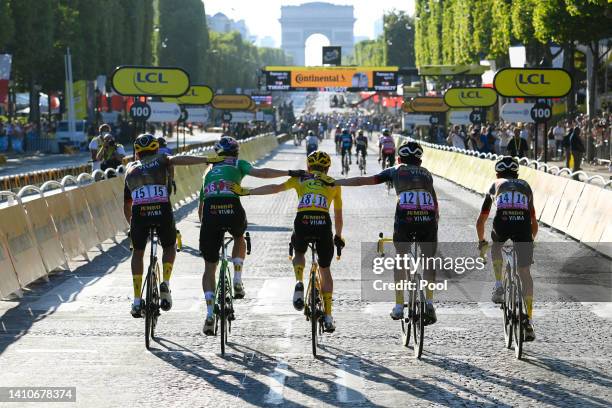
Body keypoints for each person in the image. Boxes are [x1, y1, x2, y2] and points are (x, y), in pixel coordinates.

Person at [199, 136, 308, 335]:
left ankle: (208, 313)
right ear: (235, 152)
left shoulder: (209, 170)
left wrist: (207, 224)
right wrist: (289, 172)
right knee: (239, 237)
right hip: (232, 208)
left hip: (210, 212)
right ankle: (238, 278)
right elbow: (262, 173)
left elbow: (201, 208)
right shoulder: (238, 163)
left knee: (209, 267)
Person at [232, 151, 344, 333]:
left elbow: (275, 188)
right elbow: (338, 216)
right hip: (323, 223)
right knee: (325, 269)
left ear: (308, 167)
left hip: (303, 221)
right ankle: (329, 317)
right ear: (328, 168)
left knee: (299, 253)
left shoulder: (300, 179)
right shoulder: (333, 183)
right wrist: (338, 236)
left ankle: (299, 281)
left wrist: (246, 191)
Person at [333, 141, 439, 324]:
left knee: (400, 258)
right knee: (429, 260)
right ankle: (429, 302)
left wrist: (336, 182)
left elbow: (363, 181)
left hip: (405, 220)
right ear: (420, 161)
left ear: (398, 158)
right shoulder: (427, 174)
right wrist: (434, 220)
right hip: (428, 220)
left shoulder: (395, 170)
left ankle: (399, 305)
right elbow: (435, 203)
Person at [124, 134, 221, 318]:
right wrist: (207, 159)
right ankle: (165, 284)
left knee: (138, 252)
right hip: (161, 210)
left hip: (139, 214)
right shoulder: (162, 159)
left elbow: (127, 205)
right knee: (169, 246)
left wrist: (131, 225)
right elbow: (179, 159)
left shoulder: (130, 168)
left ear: (137, 153)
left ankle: (137, 300)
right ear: (155, 149)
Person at [476, 156, 538, 341]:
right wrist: (530, 241)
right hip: (523, 227)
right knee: (525, 272)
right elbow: (534, 221)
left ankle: (498, 286)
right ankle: (528, 319)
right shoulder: (525, 186)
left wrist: (481, 242)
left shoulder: (495, 184)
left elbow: (481, 220)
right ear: (517, 173)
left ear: (497, 173)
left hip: (502, 222)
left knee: (496, 248)